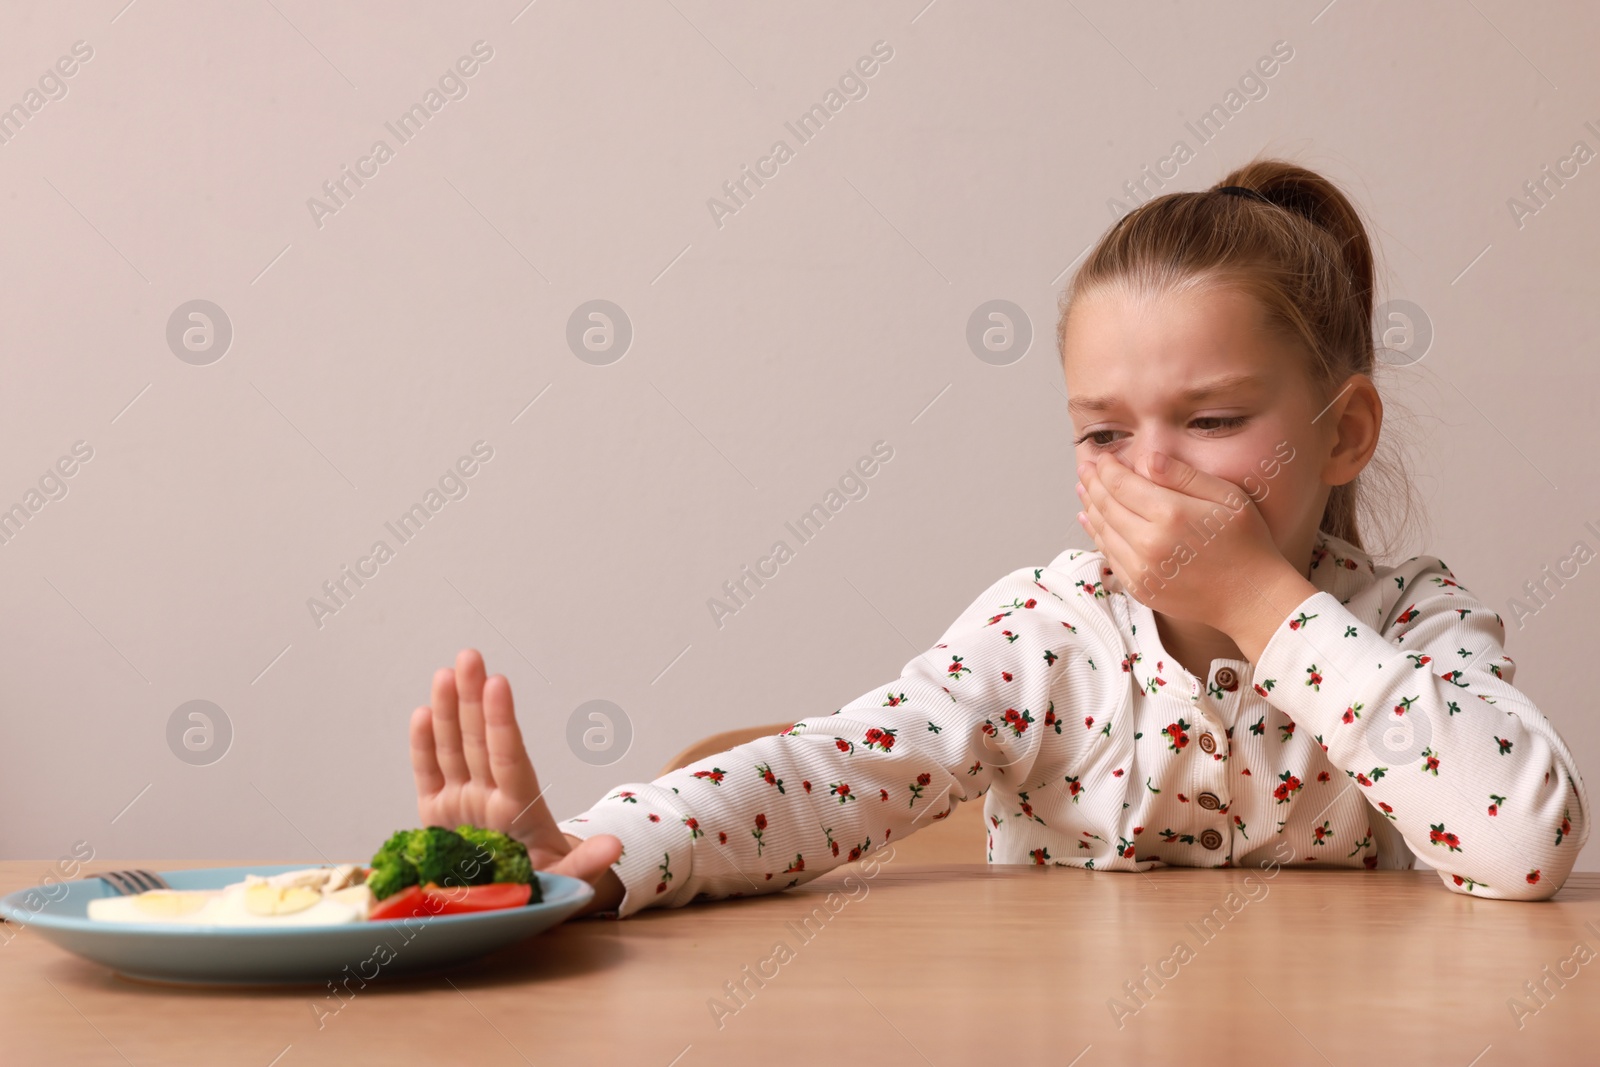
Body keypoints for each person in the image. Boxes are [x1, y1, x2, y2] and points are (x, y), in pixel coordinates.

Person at [408, 156, 1589, 917]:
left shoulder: (1407, 624)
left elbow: (1525, 846)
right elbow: (824, 777)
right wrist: (591, 848)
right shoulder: (1046, 638)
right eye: (1102, 433)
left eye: (1214, 419)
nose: (1152, 467)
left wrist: (1257, 600)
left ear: (1345, 432)